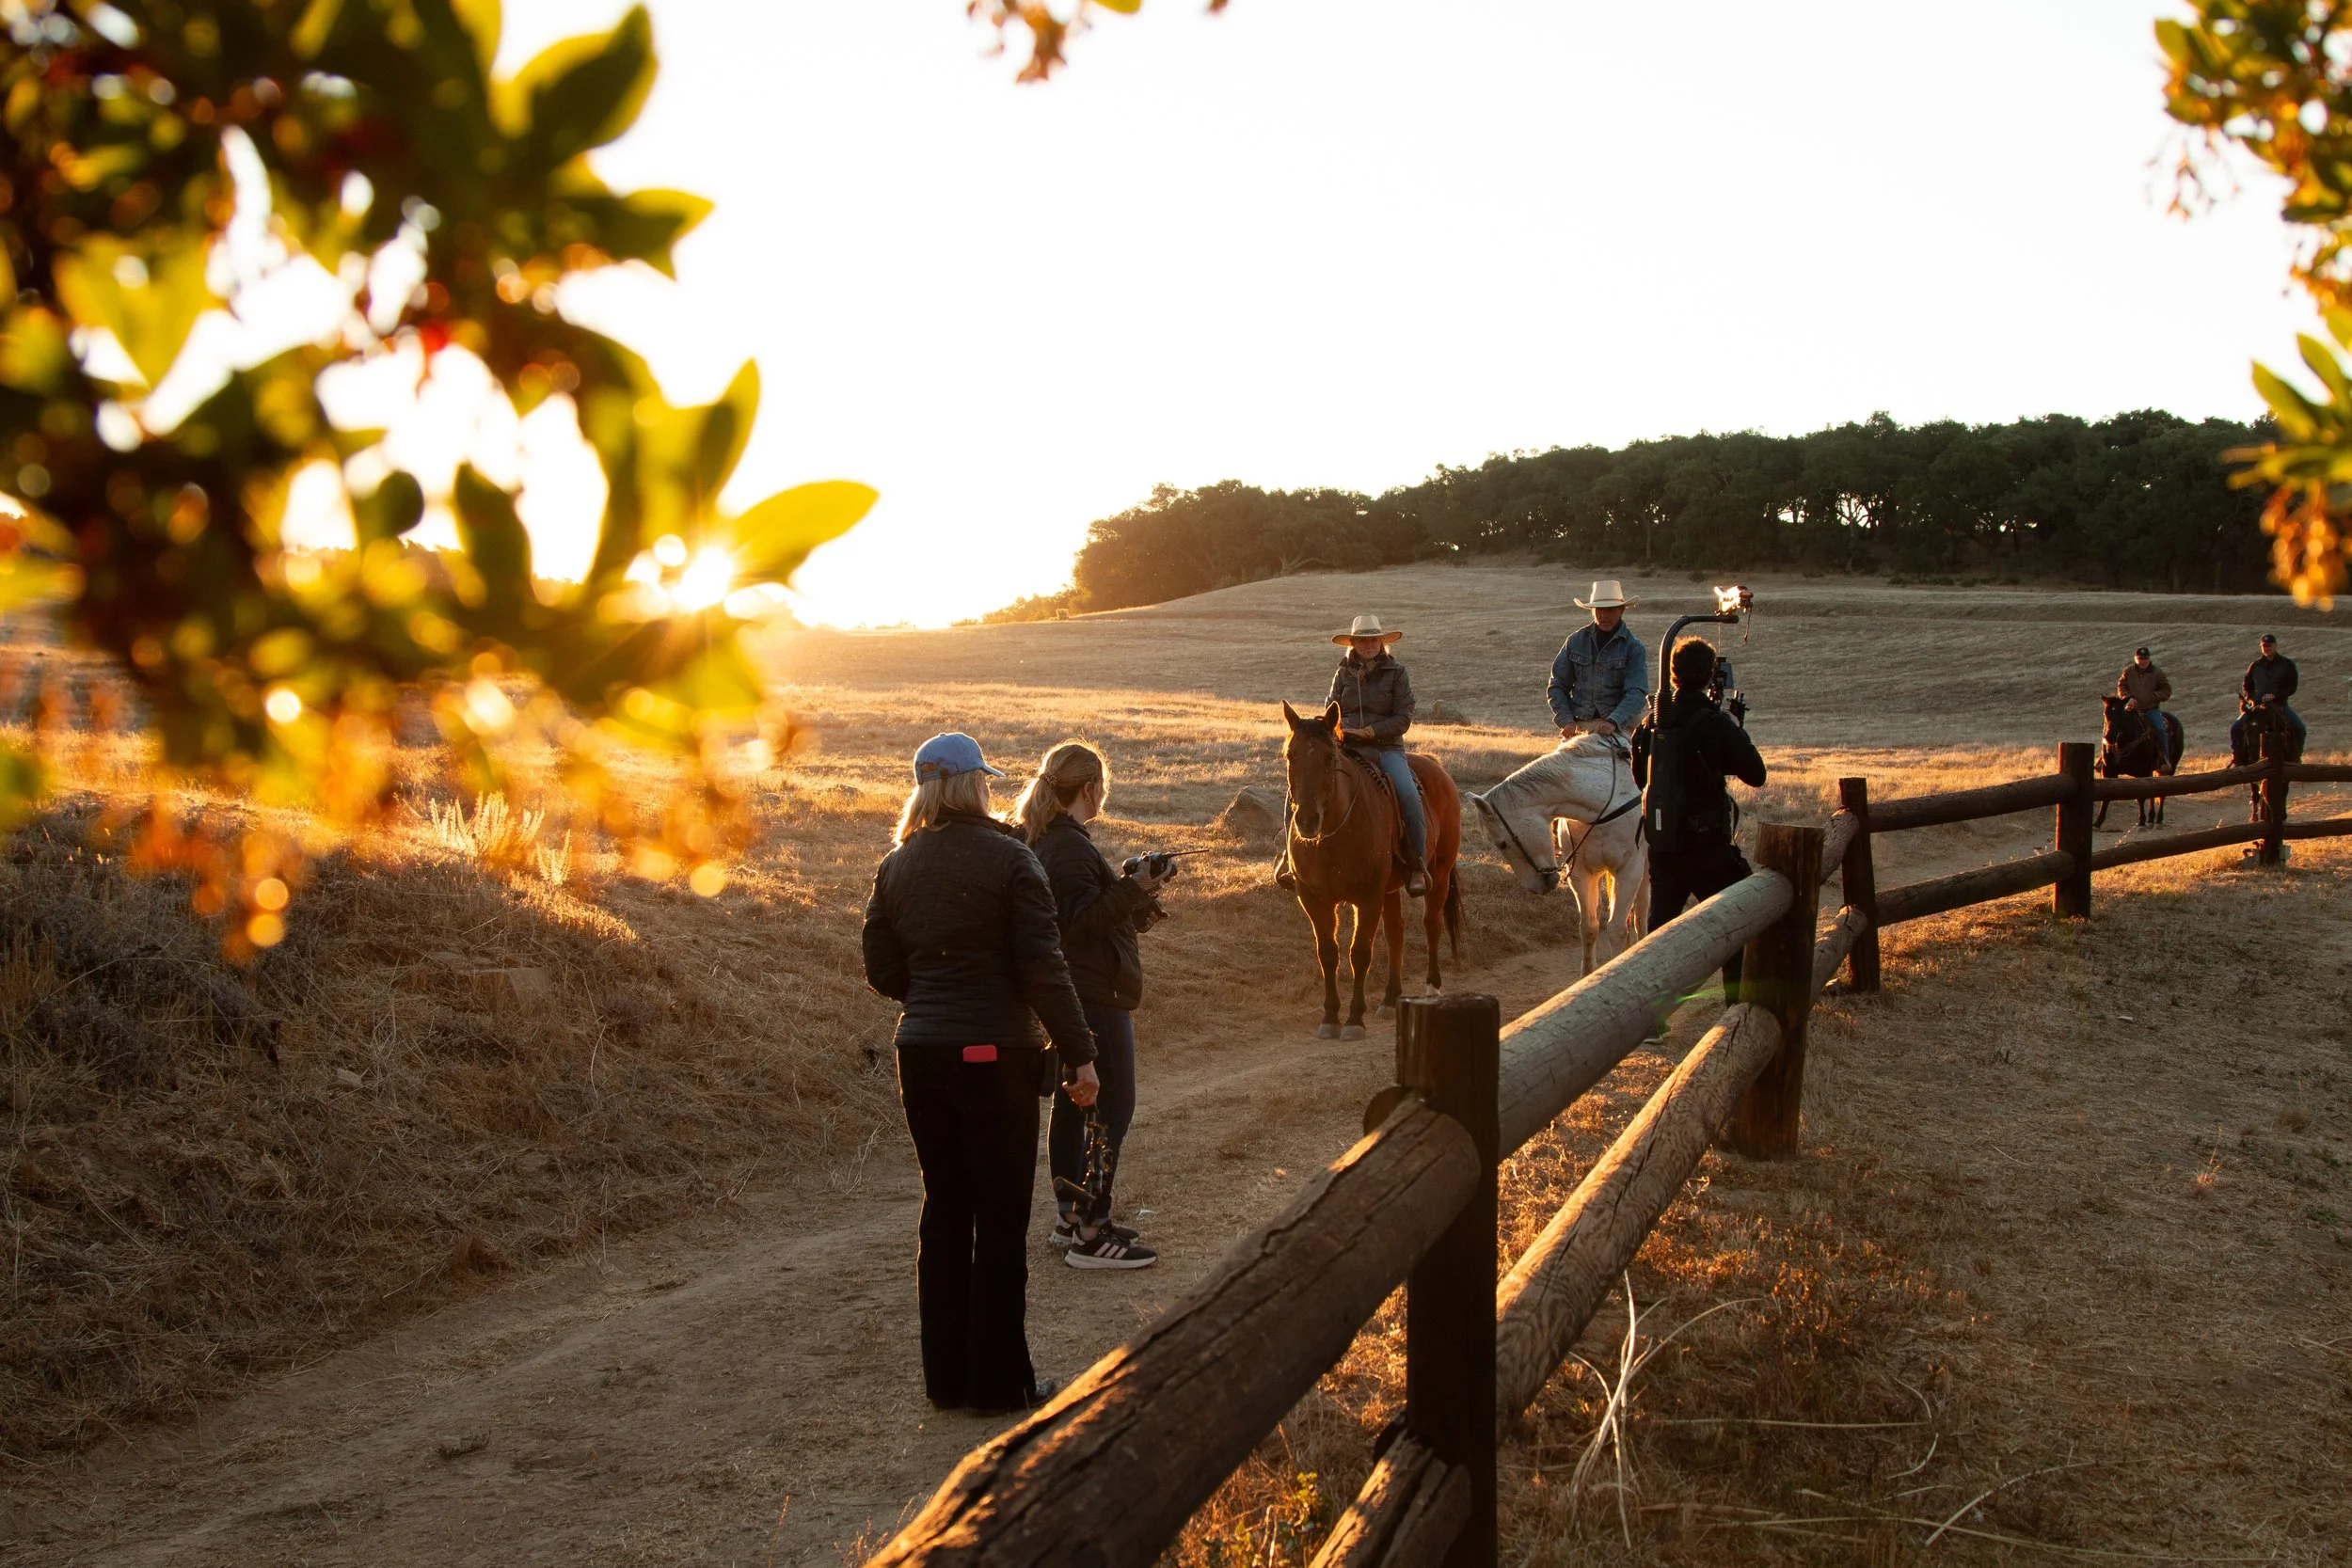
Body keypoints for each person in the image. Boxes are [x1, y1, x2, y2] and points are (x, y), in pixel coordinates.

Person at [862, 732, 1099, 1415]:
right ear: (974, 784)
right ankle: (999, 1384)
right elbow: (1043, 968)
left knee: (943, 1208)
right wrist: (1081, 1053)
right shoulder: (1011, 858)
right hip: (996, 1055)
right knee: (999, 1216)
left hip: (922, 1052)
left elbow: (881, 967)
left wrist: (935, 995)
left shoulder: (896, 865)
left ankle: (947, 1380)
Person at [1012, 740, 1166, 1271]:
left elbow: (1082, 912)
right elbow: (1079, 924)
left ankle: (1070, 1219)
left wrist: (1133, 890)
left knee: (1074, 1108)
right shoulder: (1069, 846)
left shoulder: (1050, 838)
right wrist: (1135, 886)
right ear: (1089, 788)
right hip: (1095, 994)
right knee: (1112, 1107)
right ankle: (1091, 1233)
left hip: (1075, 992)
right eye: (1102, 786)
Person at [1637, 637, 1767, 1002]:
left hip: (1664, 847)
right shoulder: (1716, 723)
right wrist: (1734, 728)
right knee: (1735, 923)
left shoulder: (1651, 722)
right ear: (1711, 676)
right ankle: (1735, 1005)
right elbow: (1756, 775)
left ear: (1673, 674)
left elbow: (1641, 780)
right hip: (1708, 846)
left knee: (1660, 933)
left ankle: (1651, 1015)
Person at [1309, 613, 1429, 896]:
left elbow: (1403, 718)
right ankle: (1291, 858)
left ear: (1381, 642)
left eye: (1374, 640)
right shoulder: (1342, 674)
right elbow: (1331, 710)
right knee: (1306, 783)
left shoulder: (1397, 673)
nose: (1369, 645)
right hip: (1346, 747)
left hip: (1386, 748)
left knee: (1408, 795)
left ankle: (1416, 865)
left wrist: (1371, 731)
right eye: (1363, 641)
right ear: (1353, 644)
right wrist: (1337, 730)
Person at [1549, 580, 1650, 744]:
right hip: (1581, 725)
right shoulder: (1574, 641)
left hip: (1622, 726)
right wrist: (1566, 720)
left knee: (1634, 758)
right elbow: (1557, 686)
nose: (1604, 616)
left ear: (1621, 610)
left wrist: (1613, 722)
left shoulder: (1634, 647)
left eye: (1609, 610)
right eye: (1599, 610)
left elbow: (1636, 692)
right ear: (1593, 611)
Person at [2233, 632, 2306, 757]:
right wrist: (2252, 698)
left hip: (2280, 706)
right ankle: (2237, 758)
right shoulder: (2255, 666)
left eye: (2269, 645)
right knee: (2235, 728)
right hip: (2257, 707)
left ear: (2275, 646)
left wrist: (2275, 695)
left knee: (2299, 729)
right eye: (2264, 646)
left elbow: (2292, 687)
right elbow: (2247, 686)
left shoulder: (2287, 664)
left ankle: (2296, 758)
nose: (2266, 648)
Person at [2116, 646, 2171, 744]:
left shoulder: (2157, 673)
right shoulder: (2128, 671)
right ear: (2135, 659)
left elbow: (2166, 690)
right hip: (2131, 709)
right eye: (2140, 659)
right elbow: (2121, 686)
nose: (2143, 661)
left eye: (2145, 659)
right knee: (2115, 727)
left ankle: (2164, 753)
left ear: (2149, 659)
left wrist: (2154, 696)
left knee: (2160, 730)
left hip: (2151, 709)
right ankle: (2111, 753)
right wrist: (2127, 698)